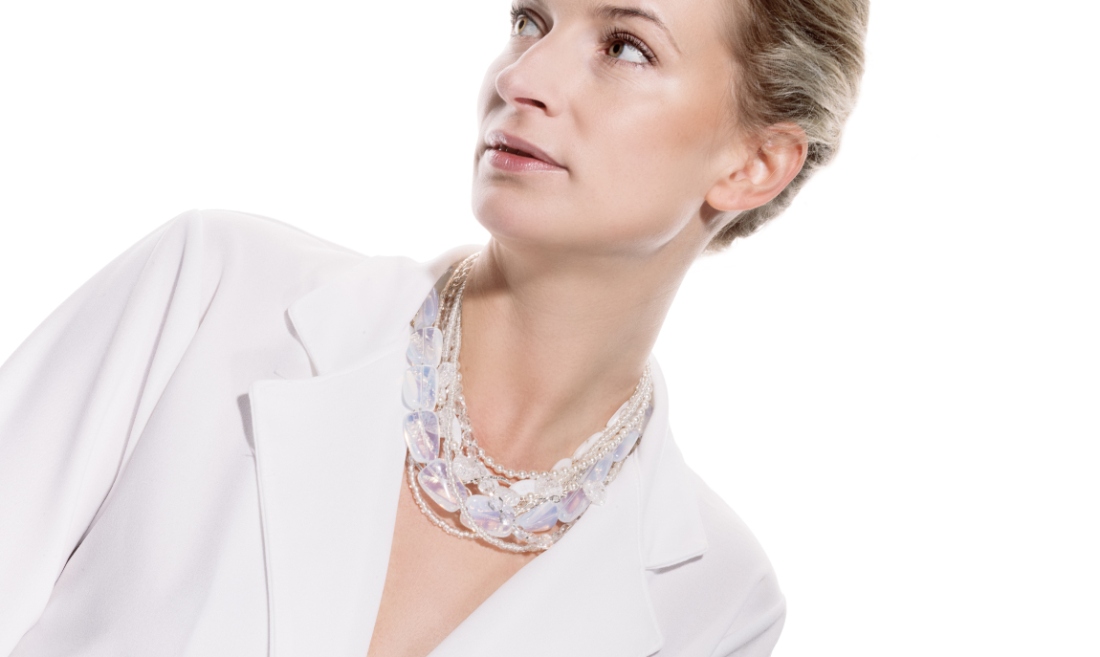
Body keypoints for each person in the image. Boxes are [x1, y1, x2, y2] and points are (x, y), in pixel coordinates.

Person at [0, 0, 867, 655]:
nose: (521, 77)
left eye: (625, 46)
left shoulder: (718, 597)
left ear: (755, 162)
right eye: (530, 21)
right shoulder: (209, 293)